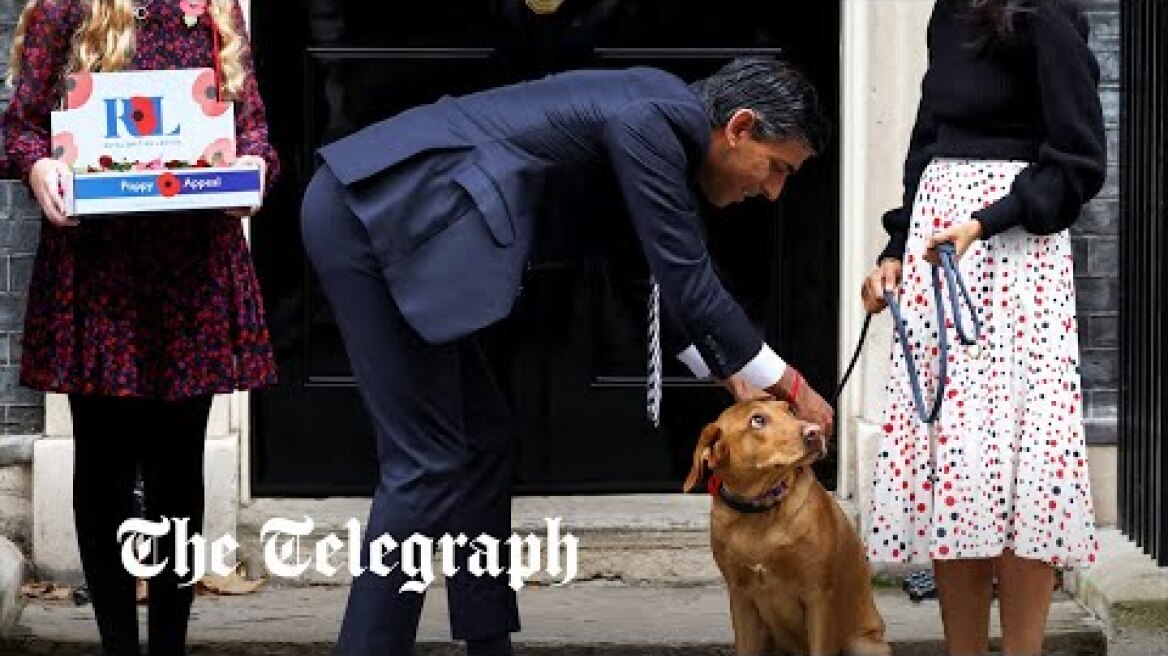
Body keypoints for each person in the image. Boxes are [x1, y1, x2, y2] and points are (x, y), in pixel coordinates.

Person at [300, 56, 832, 656]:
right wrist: (787, 382)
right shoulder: (652, 119)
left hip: (401, 225)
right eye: (777, 167)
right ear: (739, 127)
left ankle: (488, 642)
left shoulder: (657, 127)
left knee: (485, 438)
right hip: (373, 217)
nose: (773, 190)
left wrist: (727, 375)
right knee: (426, 461)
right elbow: (689, 279)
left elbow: (640, 274)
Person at [3, 0, 279, 654]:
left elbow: (255, 131)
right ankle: (119, 646)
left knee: (178, 471)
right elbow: (18, 129)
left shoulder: (213, 13)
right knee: (102, 467)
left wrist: (256, 172)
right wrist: (38, 167)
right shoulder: (66, 9)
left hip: (191, 273)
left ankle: (169, 646)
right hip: (99, 274)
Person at [860, 0, 1105, 654]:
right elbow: (927, 139)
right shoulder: (948, 11)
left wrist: (985, 222)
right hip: (940, 252)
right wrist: (894, 249)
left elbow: (1079, 162)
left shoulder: (1046, 14)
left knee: (1024, 477)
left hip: (1016, 259)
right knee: (953, 472)